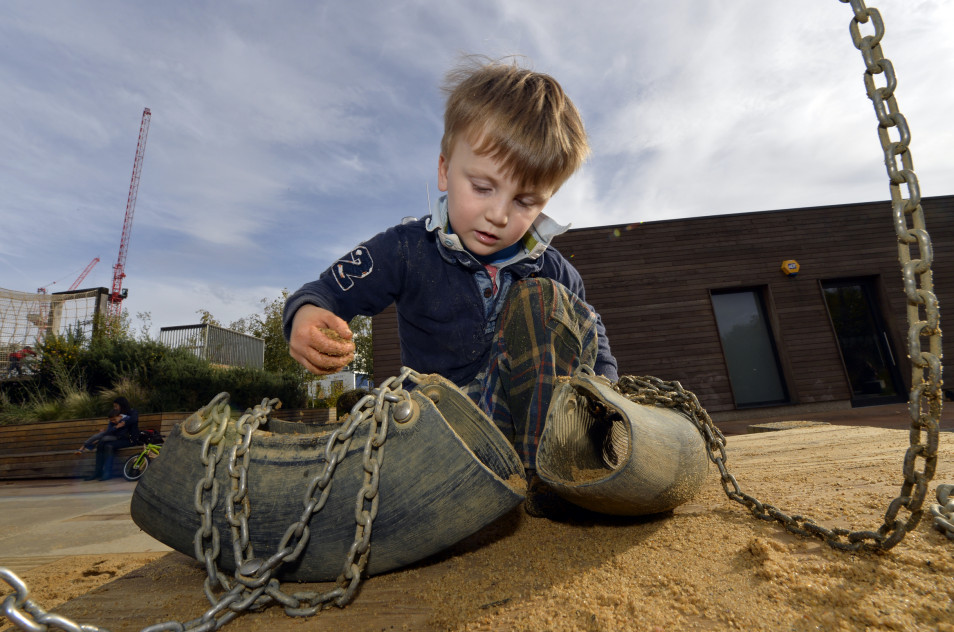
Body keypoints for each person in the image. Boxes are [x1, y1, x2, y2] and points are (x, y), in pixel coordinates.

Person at [283, 57, 618, 518]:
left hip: (537, 434)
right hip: (443, 429)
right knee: (380, 413)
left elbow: (598, 353)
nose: (499, 215)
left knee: (547, 304)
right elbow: (324, 291)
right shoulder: (405, 249)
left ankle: (550, 477)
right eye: (482, 187)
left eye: (525, 202)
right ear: (445, 171)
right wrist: (305, 317)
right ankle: (400, 462)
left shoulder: (557, 274)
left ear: (547, 202)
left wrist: (611, 407)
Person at [83, 397, 140, 481]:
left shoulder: (132, 412)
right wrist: (112, 428)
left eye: (116, 406)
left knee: (109, 446)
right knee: (101, 443)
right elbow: (110, 430)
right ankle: (98, 472)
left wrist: (123, 423)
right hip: (117, 439)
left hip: (130, 440)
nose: (115, 408)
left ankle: (107, 473)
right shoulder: (114, 415)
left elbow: (134, 420)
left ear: (122, 405)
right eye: (114, 406)